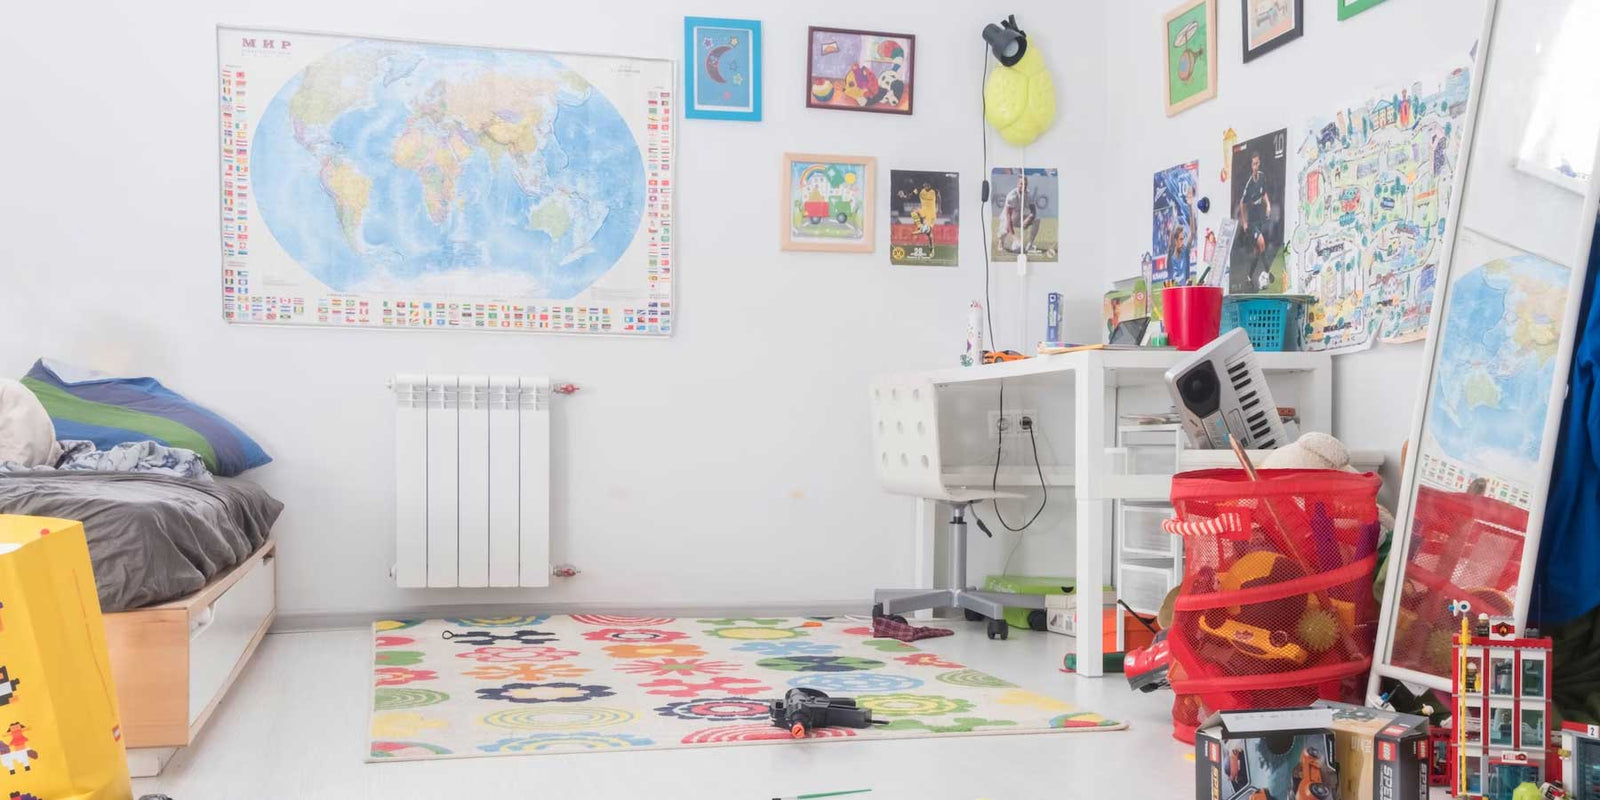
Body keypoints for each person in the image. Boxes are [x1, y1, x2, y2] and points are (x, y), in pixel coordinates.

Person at [1236, 151, 1275, 290]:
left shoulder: (1262, 176)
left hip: (1259, 218)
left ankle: (1248, 277)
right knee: (1262, 243)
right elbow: (1242, 203)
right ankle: (1269, 274)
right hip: (1251, 221)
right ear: (1251, 166)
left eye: (1257, 163)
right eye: (1254, 164)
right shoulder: (1249, 184)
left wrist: (1268, 205)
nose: (1256, 166)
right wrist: (1244, 222)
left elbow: (1264, 193)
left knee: (1256, 252)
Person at [1000, 175, 1040, 255]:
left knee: (1037, 219)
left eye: (1025, 184)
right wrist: (1014, 238)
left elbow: (1033, 211)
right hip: (1008, 217)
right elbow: (1008, 217)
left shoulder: (1029, 194)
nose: (1023, 186)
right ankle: (1001, 242)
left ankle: (1030, 245)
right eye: (1021, 184)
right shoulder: (1012, 196)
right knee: (1005, 229)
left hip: (1020, 216)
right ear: (1017, 184)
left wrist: (1029, 218)